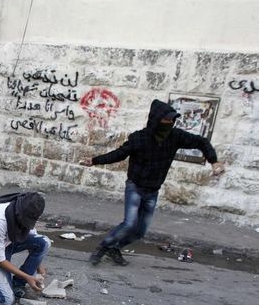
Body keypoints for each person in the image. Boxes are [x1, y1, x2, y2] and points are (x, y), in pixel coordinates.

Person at [79, 99, 225, 266]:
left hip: (153, 191)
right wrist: (94, 161)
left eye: (172, 120)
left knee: (140, 231)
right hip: (135, 187)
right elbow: (119, 154)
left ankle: (115, 248)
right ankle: (103, 247)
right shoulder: (139, 138)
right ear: (156, 120)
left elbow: (201, 142)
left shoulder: (175, 136)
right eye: (166, 119)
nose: (170, 122)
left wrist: (214, 161)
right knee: (129, 224)